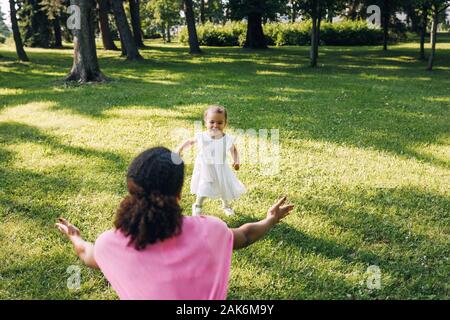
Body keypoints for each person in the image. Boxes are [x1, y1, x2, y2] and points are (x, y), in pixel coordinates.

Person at [55, 147, 294, 300]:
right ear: (178, 194)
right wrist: (270, 219)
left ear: (131, 190)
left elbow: (87, 254)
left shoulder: (108, 245)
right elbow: (245, 235)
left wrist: (74, 235)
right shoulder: (212, 230)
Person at [176, 105, 245, 216]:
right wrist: (180, 149)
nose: (215, 125)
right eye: (212, 122)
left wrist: (236, 160)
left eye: (219, 122)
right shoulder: (202, 136)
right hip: (205, 168)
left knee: (223, 187)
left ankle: (226, 206)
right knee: (204, 186)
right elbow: (190, 142)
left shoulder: (226, 139)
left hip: (221, 168)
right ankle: (197, 206)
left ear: (225, 123)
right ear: (206, 123)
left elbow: (234, 149)